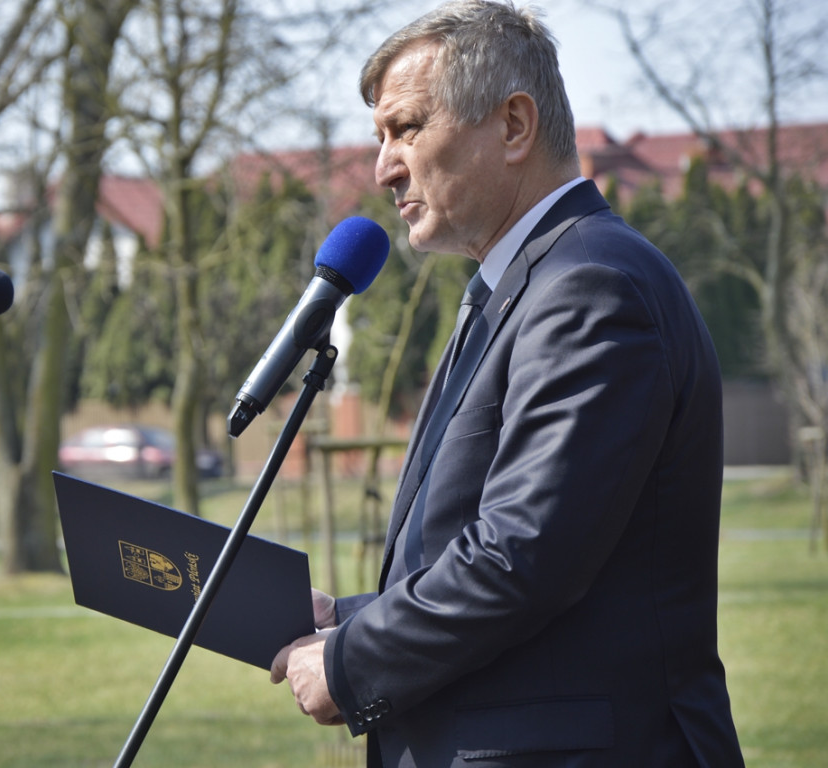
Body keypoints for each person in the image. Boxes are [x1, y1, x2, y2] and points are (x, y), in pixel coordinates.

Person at [270, 1, 746, 766]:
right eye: (379, 138)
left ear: (515, 126)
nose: (384, 167)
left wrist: (352, 663)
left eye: (406, 128)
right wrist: (345, 621)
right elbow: (482, 550)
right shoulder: (520, 286)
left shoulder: (589, 286)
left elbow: (521, 556)